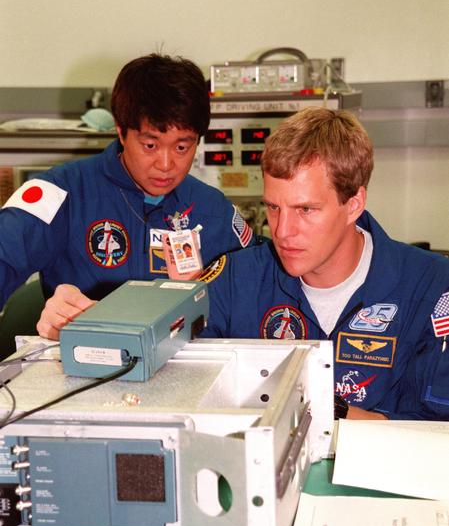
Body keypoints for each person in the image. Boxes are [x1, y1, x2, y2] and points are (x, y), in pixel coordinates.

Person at [200, 107, 449, 421]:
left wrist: (321, 410)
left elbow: (436, 429)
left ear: (353, 205)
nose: (282, 231)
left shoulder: (433, 288)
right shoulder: (234, 280)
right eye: (273, 207)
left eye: (305, 209)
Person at [0, 53, 254, 331]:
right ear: (121, 132)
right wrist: (59, 314)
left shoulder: (213, 211)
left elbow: (262, 290)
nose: (166, 165)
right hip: (85, 354)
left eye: (182, 147)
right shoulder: (63, 194)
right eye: (150, 145)